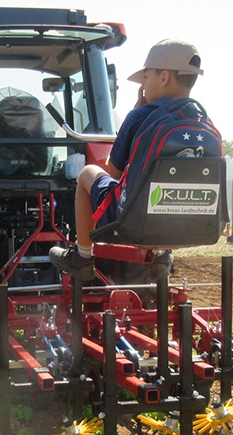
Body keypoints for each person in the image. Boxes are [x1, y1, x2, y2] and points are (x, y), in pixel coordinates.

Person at [49, 39, 207, 280]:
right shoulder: (203, 121)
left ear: (164, 78)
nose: (143, 85)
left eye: (146, 78)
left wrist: (137, 112)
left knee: (87, 174)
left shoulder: (139, 116)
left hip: (132, 217)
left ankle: (82, 256)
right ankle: (162, 255)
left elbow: (113, 172)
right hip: (190, 219)